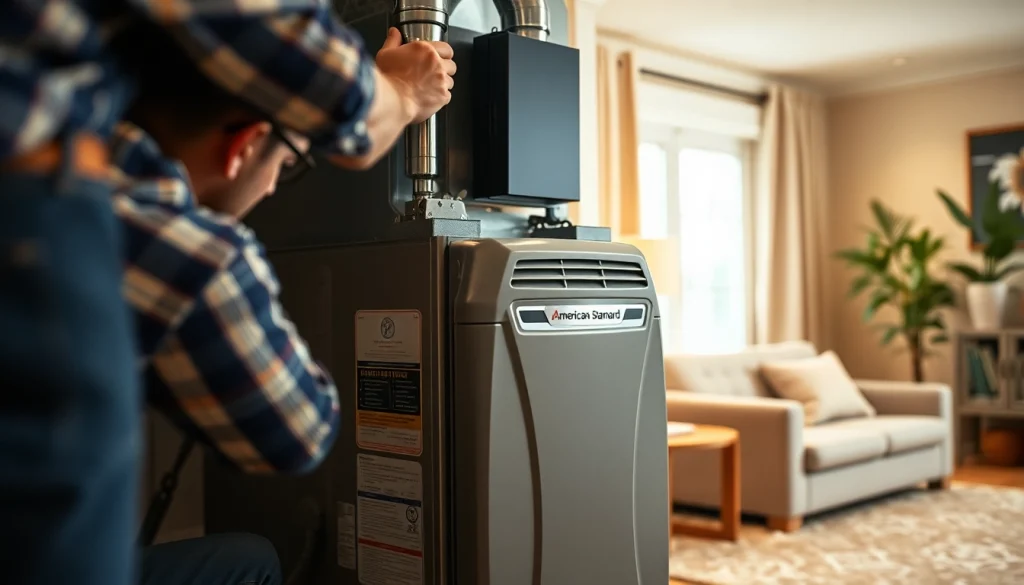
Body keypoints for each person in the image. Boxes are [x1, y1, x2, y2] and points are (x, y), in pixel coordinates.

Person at [0, 3, 453, 585]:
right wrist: (400, 93)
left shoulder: (84, 169)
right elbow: (300, 430)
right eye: (285, 163)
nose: (270, 187)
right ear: (243, 147)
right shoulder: (147, 235)